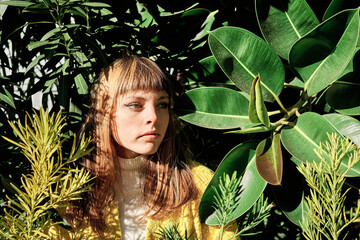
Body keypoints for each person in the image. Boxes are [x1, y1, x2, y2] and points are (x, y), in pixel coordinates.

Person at [49, 55, 239, 239]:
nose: (154, 117)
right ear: (104, 111)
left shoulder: (201, 185)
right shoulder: (66, 193)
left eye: (162, 104)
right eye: (135, 105)